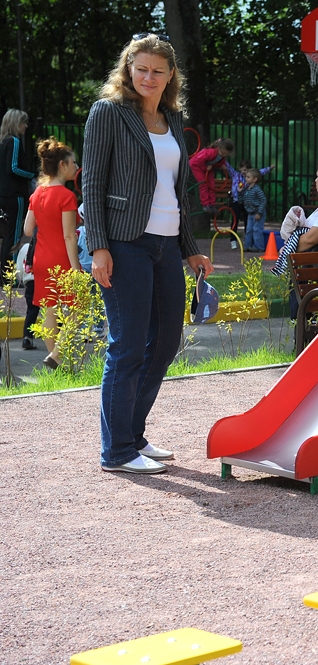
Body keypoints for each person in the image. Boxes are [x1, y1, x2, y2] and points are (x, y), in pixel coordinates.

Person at [82, 33, 214, 475]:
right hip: (124, 243)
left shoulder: (172, 118)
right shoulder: (109, 112)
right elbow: (92, 184)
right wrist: (99, 247)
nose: (149, 77)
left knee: (166, 342)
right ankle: (117, 451)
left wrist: (191, 249)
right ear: (129, 68)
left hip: (166, 244)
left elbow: (179, 192)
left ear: (171, 74)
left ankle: (132, 435)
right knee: (127, 346)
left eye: (158, 71)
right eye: (141, 69)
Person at [22, 137, 81, 370]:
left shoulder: (37, 193)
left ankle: (56, 362)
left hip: (41, 260)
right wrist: (75, 268)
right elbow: (69, 236)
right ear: (62, 165)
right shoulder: (67, 196)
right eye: (73, 162)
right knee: (77, 308)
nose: (77, 166)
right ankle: (56, 355)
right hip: (61, 259)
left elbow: (28, 230)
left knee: (49, 310)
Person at [0, 109, 34, 272]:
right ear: (16, 123)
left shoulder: (3, 142)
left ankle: (4, 272)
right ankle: (10, 274)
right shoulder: (14, 141)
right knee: (14, 236)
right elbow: (13, 168)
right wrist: (31, 175)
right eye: (24, 122)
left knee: (8, 235)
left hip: (4, 194)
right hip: (15, 195)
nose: (26, 126)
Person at [225, 159, 273, 249]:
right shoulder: (237, 176)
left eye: (247, 171)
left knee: (250, 225)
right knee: (236, 220)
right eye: (244, 170)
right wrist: (220, 158)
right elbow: (228, 167)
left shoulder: (252, 186)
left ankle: (252, 244)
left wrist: (269, 168)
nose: (245, 173)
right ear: (240, 169)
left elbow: (259, 172)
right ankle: (236, 241)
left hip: (250, 206)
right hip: (238, 201)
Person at [188, 137, 234, 216]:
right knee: (204, 184)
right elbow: (199, 160)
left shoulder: (222, 155)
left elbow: (220, 161)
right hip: (197, 166)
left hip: (209, 167)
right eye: (223, 153)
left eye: (226, 154)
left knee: (212, 185)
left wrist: (222, 165)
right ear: (219, 148)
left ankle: (212, 204)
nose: (223, 155)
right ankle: (205, 204)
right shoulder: (210, 152)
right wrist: (205, 168)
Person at [241, 169, 267, 252]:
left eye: (248, 177)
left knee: (257, 230)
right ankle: (247, 246)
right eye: (246, 177)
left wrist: (259, 213)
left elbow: (263, 200)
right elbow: (241, 200)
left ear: (255, 179)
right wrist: (240, 192)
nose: (246, 178)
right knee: (249, 230)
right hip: (250, 213)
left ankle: (259, 247)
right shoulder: (247, 189)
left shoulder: (257, 189)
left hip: (257, 213)